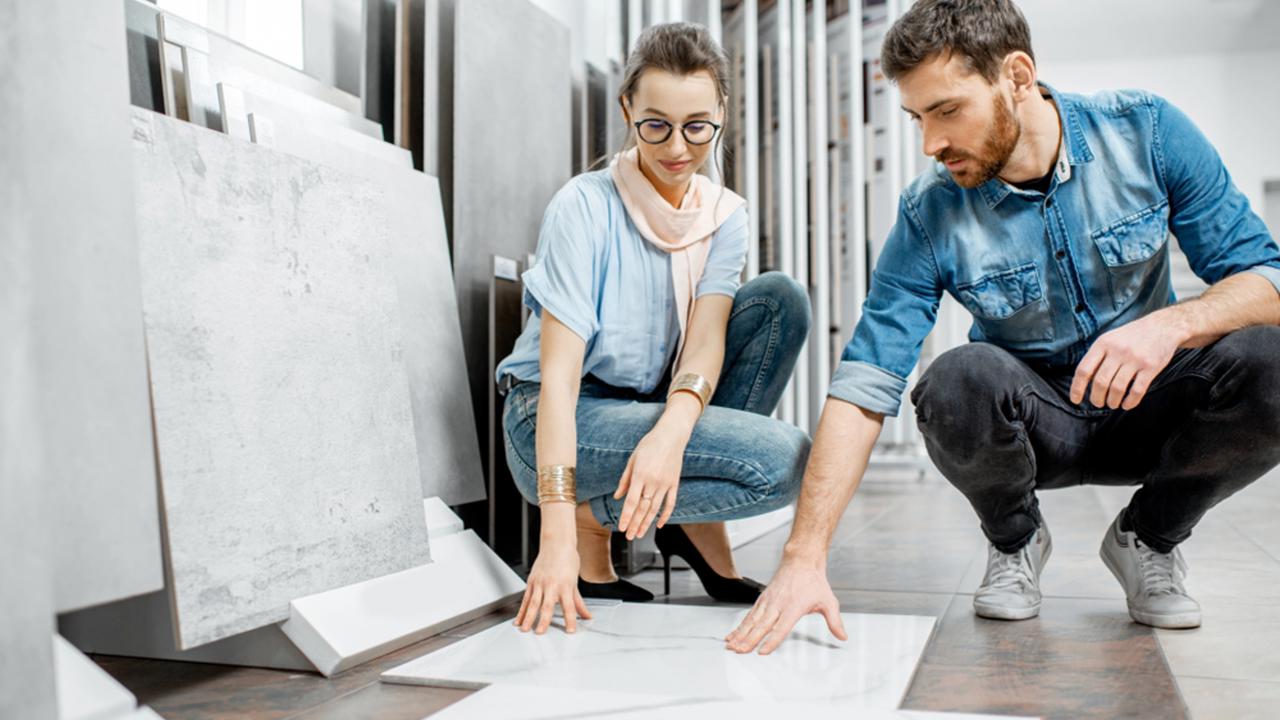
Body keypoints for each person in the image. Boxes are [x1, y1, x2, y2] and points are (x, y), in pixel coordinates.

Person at [726, 0, 1280, 654]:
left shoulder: (1148, 133)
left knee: (1272, 360)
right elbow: (864, 381)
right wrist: (803, 556)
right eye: (917, 118)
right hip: (1034, 426)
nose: (930, 143)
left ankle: (1150, 537)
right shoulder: (929, 211)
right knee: (955, 381)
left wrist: (1171, 326)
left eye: (947, 111)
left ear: (1017, 76)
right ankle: (1016, 539)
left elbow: (1265, 279)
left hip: (1148, 408)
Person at [496, 22, 813, 636]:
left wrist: (672, 435)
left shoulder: (723, 216)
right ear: (626, 110)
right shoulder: (582, 207)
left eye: (698, 126)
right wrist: (556, 532)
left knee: (780, 302)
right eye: (655, 125)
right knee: (781, 462)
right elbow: (559, 381)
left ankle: (681, 518)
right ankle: (593, 522)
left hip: (645, 407)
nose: (677, 148)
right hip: (555, 419)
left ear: (722, 111)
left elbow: (705, 340)